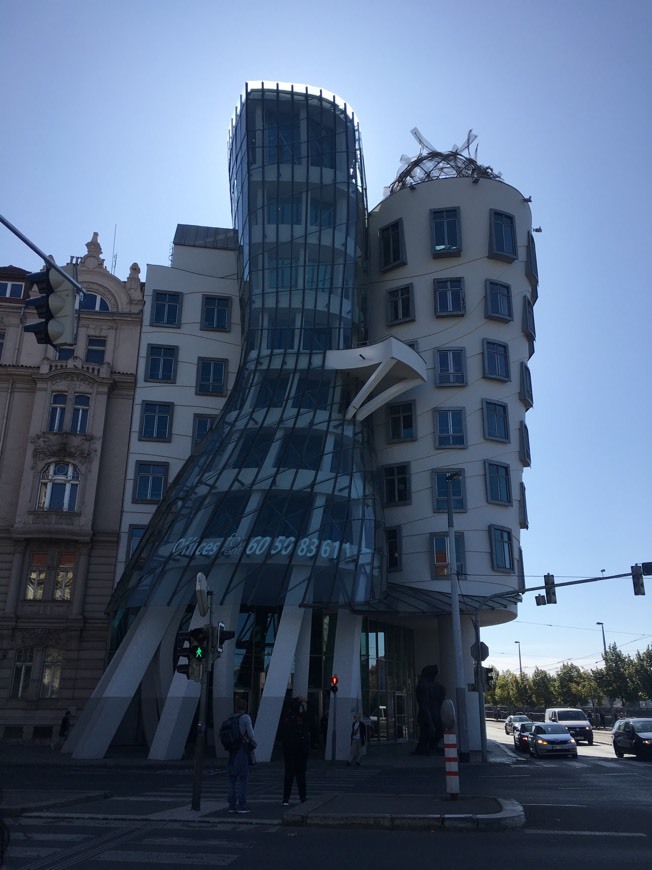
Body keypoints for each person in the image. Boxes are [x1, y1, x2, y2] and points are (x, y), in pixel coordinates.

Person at [226, 698, 256, 814]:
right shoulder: (245, 718)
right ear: (245, 706)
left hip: (231, 750)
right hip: (242, 750)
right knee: (243, 778)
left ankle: (231, 805)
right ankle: (242, 806)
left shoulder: (230, 718)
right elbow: (251, 735)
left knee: (232, 779)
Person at [280, 697, 311, 805]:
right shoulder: (302, 718)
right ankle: (302, 798)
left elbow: (284, 707)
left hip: (288, 750)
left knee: (288, 776)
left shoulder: (286, 718)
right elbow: (312, 710)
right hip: (301, 751)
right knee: (300, 776)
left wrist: (293, 700)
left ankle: (285, 799)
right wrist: (305, 701)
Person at [412, 665, 446, 755]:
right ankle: (422, 748)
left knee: (439, 731)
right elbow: (423, 704)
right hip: (426, 713)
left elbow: (441, 700)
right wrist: (429, 720)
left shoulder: (437, 686)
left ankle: (432, 746)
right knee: (426, 732)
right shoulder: (423, 686)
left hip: (435, 713)